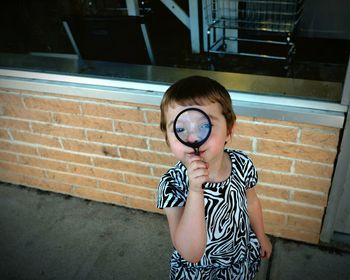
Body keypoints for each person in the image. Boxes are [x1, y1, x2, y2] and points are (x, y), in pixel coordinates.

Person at [157, 75, 272, 279]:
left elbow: (251, 202)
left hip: (238, 261)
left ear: (229, 131)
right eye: (180, 129)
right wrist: (194, 190)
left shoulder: (241, 164)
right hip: (200, 272)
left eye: (204, 126)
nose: (192, 138)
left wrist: (261, 237)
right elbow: (190, 253)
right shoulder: (171, 185)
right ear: (167, 138)